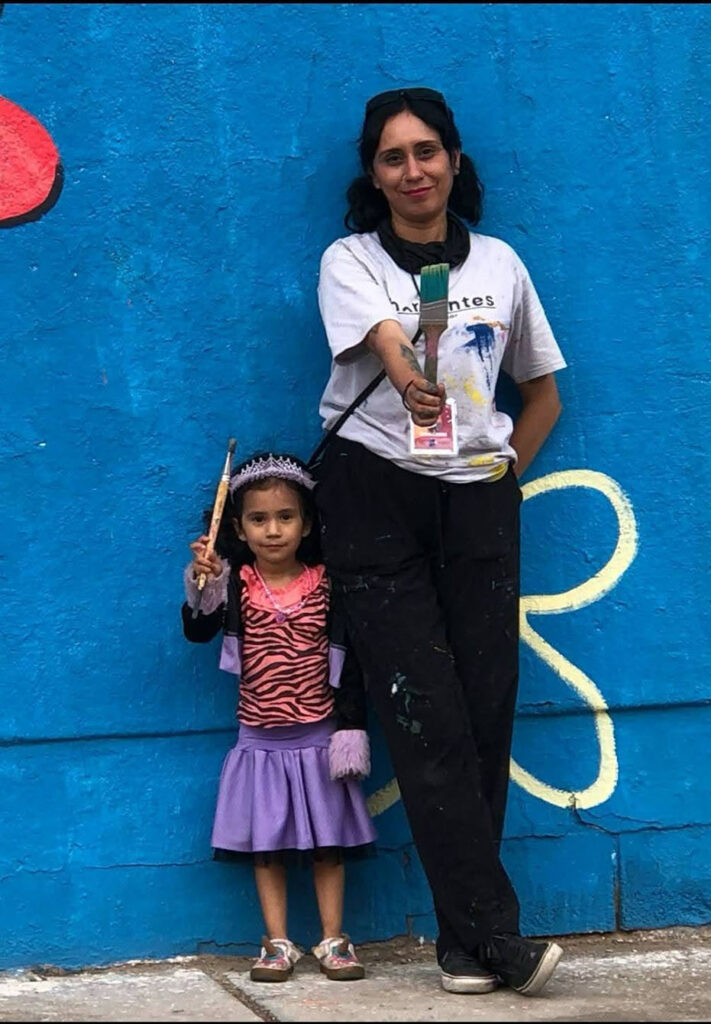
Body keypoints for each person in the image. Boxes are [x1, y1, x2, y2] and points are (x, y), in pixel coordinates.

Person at [312, 87, 567, 997]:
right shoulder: (349, 259)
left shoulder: (500, 264)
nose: (412, 170)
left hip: (478, 503)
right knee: (425, 714)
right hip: (376, 495)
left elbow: (542, 391)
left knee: (485, 709)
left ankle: (465, 945)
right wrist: (406, 373)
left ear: (454, 162)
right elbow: (385, 337)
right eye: (393, 157)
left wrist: (502, 474)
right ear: (373, 174)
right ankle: (495, 935)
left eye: (427, 152)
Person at [181, 451, 376, 983]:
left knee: (328, 845)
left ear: (307, 524)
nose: (272, 530)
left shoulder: (327, 583)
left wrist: (351, 726)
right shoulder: (235, 586)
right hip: (260, 742)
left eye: (286, 517)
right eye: (258, 519)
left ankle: (333, 937)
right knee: (266, 848)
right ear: (237, 529)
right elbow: (198, 630)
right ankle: (277, 941)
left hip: (319, 738)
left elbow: (353, 662)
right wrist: (203, 582)